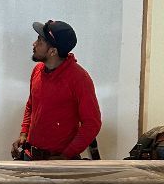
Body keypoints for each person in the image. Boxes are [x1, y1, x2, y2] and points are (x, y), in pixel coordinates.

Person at [11, 20, 101, 160]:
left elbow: (92, 123)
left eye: (40, 41)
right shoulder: (38, 70)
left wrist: (65, 156)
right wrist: (23, 134)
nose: (34, 44)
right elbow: (31, 106)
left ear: (53, 51)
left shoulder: (79, 79)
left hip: (59, 164)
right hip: (30, 157)